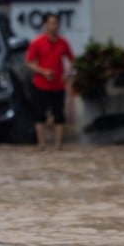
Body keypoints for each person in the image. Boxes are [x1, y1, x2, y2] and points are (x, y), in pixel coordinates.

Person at [25, 13, 75, 150]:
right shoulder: (37, 42)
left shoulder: (63, 42)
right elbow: (29, 62)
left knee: (59, 114)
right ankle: (41, 143)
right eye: (51, 23)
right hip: (40, 84)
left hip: (58, 84)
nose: (54, 26)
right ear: (45, 25)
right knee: (39, 114)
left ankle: (58, 144)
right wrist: (43, 71)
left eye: (56, 23)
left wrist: (68, 73)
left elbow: (72, 60)